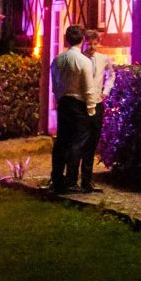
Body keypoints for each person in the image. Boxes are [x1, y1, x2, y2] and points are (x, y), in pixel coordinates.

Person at [48, 25, 101, 194]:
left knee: (62, 141)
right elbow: (88, 89)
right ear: (82, 40)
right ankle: (71, 180)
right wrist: (91, 110)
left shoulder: (57, 60)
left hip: (63, 103)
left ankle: (57, 178)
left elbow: (55, 85)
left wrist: (59, 99)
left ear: (66, 39)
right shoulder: (84, 61)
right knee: (77, 143)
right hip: (78, 105)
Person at [71, 30, 110, 192]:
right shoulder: (80, 59)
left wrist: (105, 91)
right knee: (79, 141)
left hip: (97, 102)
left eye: (95, 44)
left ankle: (87, 180)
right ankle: (72, 179)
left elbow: (111, 75)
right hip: (83, 103)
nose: (92, 47)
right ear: (84, 43)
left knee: (93, 141)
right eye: (89, 44)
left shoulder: (103, 59)